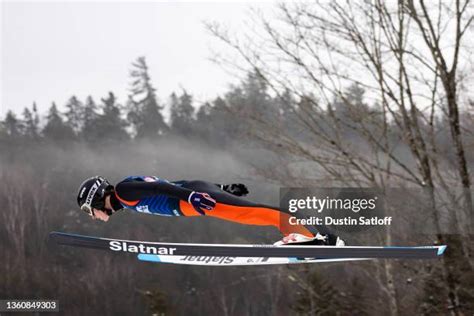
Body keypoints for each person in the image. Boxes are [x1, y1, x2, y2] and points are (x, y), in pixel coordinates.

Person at [76, 175, 345, 246]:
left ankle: (318, 238)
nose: (94, 216)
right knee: (255, 213)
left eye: (90, 210)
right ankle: (321, 237)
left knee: (256, 214)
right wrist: (221, 187)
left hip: (192, 199)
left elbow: (163, 187)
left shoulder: (124, 191)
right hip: (194, 196)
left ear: (97, 199)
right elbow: (172, 183)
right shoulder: (126, 193)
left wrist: (193, 195)